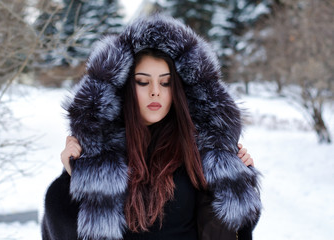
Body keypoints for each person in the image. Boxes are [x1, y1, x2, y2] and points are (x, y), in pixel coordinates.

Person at [42, 15, 261, 240]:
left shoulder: (200, 149)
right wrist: (71, 178)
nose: (155, 91)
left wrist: (239, 184)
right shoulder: (101, 155)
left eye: (165, 83)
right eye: (143, 82)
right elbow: (62, 232)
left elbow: (235, 230)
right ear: (126, 86)